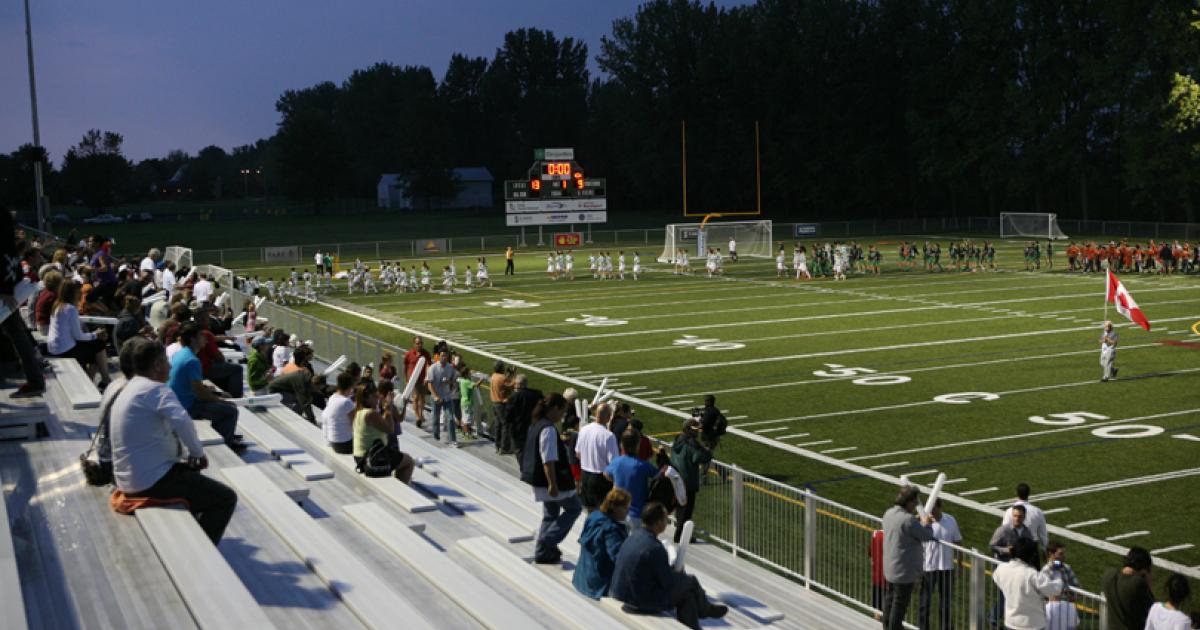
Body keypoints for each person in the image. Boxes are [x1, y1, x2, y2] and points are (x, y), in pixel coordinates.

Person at [109, 337, 237, 544]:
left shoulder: (130, 387)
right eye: (166, 362)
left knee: (193, 479)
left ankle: (194, 535)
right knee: (225, 498)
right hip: (149, 482)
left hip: (130, 477)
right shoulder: (155, 388)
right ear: (157, 365)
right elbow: (183, 421)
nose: (169, 366)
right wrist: (198, 453)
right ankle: (203, 554)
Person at [609, 502, 728, 629]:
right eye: (666, 518)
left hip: (623, 595)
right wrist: (678, 572)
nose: (667, 521)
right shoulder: (654, 547)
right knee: (690, 582)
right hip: (639, 601)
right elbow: (667, 582)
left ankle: (696, 623)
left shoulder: (634, 536)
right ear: (659, 522)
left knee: (686, 594)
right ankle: (705, 609)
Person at [520, 392, 581, 564]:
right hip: (550, 481)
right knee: (574, 508)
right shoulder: (548, 429)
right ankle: (547, 541)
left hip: (539, 480)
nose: (562, 417)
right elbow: (548, 459)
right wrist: (552, 484)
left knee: (551, 513)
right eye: (562, 412)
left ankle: (543, 552)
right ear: (555, 408)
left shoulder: (537, 424)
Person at [168, 323, 241, 451]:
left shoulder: (181, 354)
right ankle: (227, 447)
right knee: (230, 410)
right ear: (193, 339)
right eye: (202, 335)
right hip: (187, 406)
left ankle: (223, 437)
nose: (206, 338)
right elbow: (200, 394)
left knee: (222, 406)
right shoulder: (192, 360)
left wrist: (214, 394)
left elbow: (194, 386)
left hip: (177, 401)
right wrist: (219, 399)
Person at [881, 486, 933, 630]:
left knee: (890, 600)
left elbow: (903, 530)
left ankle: (886, 626)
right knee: (899, 607)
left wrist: (917, 522)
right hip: (903, 572)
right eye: (915, 503)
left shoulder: (889, 513)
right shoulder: (908, 520)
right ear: (909, 502)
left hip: (890, 567)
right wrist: (927, 523)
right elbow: (927, 535)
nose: (915, 506)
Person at [47, 280, 112, 389]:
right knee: (99, 346)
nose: (81, 294)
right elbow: (78, 336)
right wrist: (96, 334)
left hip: (55, 348)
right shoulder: (71, 309)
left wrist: (93, 335)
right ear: (72, 293)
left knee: (96, 347)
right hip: (64, 350)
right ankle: (103, 380)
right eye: (79, 292)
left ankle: (96, 381)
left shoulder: (57, 305)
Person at [992, 538, 1065, 630]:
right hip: (1032, 624)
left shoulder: (1002, 569)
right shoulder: (1032, 575)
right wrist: (1057, 573)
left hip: (1011, 622)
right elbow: (1055, 589)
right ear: (1031, 555)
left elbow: (996, 578)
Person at [572, 487, 631, 599]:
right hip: (599, 585)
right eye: (625, 507)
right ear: (615, 507)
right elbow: (618, 557)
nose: (628, 511)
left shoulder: (594, 516)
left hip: (582, 577)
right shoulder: (611, 529)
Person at [351, 380, 415, 483]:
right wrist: (389, 408)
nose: (377, 399)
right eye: (374, 396)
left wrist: (386, 409)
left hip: (360, 455)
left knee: (400, 458)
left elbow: (382, 422)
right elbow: (390, 429)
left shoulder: (359, 411)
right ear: (367, 398)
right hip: (371, 457)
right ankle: (400, 488)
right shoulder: (371, 413)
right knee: (409, 462)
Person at [604, 430, 660, 530]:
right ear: (638, 446)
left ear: (621, 445)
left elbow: (606, 474)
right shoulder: (642, 465)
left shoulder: (617, 462)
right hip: (637, 514)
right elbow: (658, 475)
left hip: (617, 512)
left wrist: (616, 480)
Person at [919, 499, 961, 630]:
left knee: (946, 603)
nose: (931, 513)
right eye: (929, 511)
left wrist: (959, 564)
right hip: (928, 568)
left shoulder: (951, 520)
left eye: (933, 510)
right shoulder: (924, 522)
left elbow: (958, 542)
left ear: (940, 507)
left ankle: (946, 627)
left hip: (946, 568)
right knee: (925, 602)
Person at [670, 418, 712, 543]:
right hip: (687, 480)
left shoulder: (678, 440)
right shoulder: (690, 443)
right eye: (696, 430)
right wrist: (708, 452)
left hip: (677, 478)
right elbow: (698, 457)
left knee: (680, 508)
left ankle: (680, 533)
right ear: (689, 430)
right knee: (686, 510)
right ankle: (681, 536)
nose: (698, 432)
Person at [576, 404, 619, 512]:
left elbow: (578, 453)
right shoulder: (608, 436)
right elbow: (614, 463)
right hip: (600, 479)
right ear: (609, 417)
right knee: (603, 511)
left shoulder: (584, 429)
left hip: (585, 474)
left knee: (589, 511)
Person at [1103, 546, 1155, 630]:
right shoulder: (1137, 583)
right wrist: (1148, 583)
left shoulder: (1109, 576)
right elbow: (1153, 607)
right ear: (1144, 570)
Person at [506, 374, 543, 464]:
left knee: (519, 450)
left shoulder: (513, 397)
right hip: (533, 426)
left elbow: (508, 416)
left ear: (519, 384)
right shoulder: (536, 394)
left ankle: (525, 470)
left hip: (518, 428)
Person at [1044, 541, 1081, 630]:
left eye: (1064, 553)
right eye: (1061, 554)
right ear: (1051, 554)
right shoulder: (1045, 572)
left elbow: (1078, 590)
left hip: (1067, 609)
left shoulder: (1067, 568)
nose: (1064, 556)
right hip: (1053, 611)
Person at [426, 347, 458, 446]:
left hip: (447, 396)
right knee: (436, 418)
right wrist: (436, 396)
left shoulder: (450, 367)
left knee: (450, 418)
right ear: (438, 356)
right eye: (442, 356)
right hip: (437, 396)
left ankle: (452, 439)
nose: (444, 357)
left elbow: (454, 381)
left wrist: (449, 382)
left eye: (445, 355)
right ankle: (436, 437)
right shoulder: (433, 368)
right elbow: (429, 384)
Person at [1001, 484, 1049, 551]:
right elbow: (1043, 534)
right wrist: (1044, 549)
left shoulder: (1009, 511)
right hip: (1032, 546)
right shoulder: (1038, 511)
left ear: (1016, 493)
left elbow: (1004, 531)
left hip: (1014, 545)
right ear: (1029, 493)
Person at [322, 371, 357, 454]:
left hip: (333, 441)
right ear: (350, 386)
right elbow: (355, 425)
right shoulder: (346, 402)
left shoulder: (332, 398)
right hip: (344, 445)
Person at [403, 336, 431, 427]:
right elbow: (406, 367)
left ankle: (421, 413)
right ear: (414, 344)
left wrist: (427, 377)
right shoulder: (409, 354)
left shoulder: (426, 354)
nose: (419, 345)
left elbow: (428, 366)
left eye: (421, 343)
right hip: (413, 379)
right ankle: (417, 416)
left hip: (422, 379)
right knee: (415, 397)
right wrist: (407, 379)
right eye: (417, 343)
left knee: (422, 398)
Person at [488, 361, 512, 447]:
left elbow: (503, 383)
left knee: (498, 425)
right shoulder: (502, 377)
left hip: (494, 403)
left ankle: (497, 445)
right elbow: (511, 385)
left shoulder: (493, 376)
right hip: (501, 404)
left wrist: (509, 375)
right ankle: (504, 446)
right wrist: (514, 375)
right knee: (505, 425)